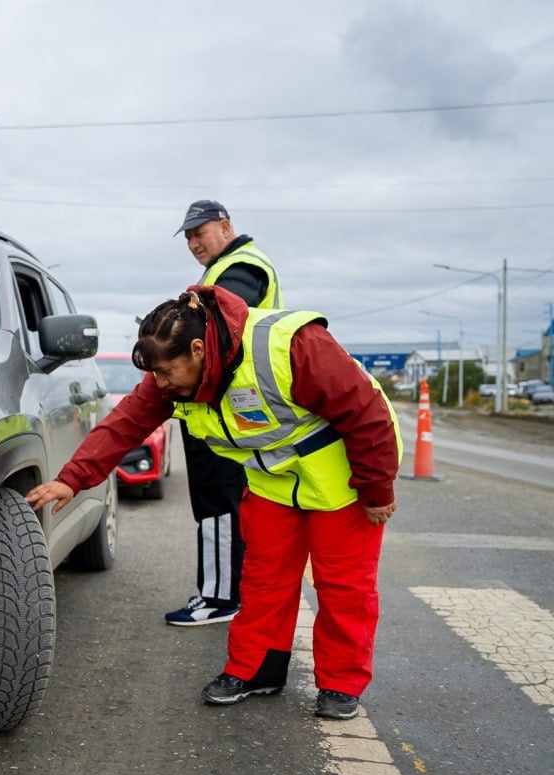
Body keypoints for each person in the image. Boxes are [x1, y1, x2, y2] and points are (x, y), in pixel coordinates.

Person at [26, 286, 401, 719]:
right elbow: (124, 424)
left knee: (343, 587)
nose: (161, 385)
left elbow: (367, 415)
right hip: (274, 483)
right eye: (156, 375)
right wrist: (72, 480)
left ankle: (340, 685)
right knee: (262, 581)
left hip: (345, 482)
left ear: (200, 349)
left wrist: (377, 492)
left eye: (167, 372)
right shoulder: (174, 376)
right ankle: (256, 670)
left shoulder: (293, 345)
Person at [166, 200, 283, 627]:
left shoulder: (242, 266)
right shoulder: (222, 267)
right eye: (189, 237)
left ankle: (219, 598)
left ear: (226, 226)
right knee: (224, 500)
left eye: (201, 233)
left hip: (223, 405)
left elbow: (216, 317)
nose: (194, 243)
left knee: (216, 500)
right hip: (224, 403)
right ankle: (232, 591)